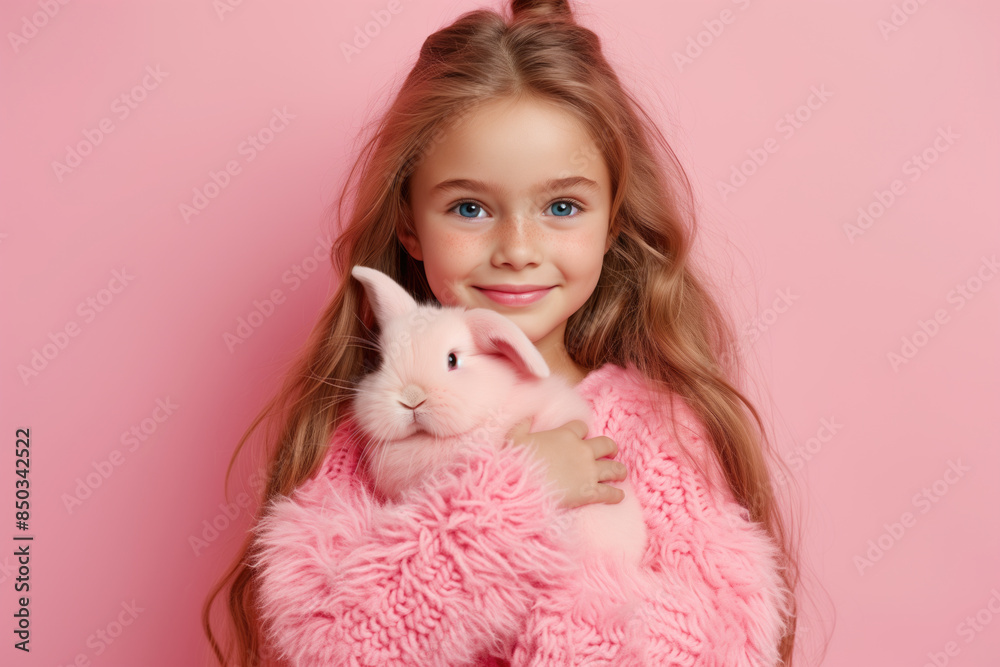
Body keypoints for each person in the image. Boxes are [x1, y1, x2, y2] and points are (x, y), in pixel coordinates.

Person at [203, 0, 804, 664]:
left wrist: (572, 629)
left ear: (612, 221)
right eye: (469, 207)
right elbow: (336, 638)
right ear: (410, 224)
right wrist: (513, 494)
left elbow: (728, 636)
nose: (517, 248)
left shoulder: (657, 429)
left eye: (562, 206)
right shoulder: (384, 432)